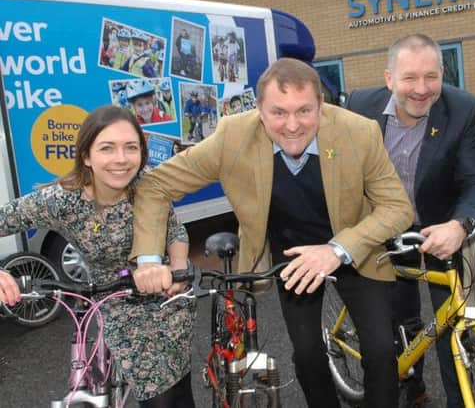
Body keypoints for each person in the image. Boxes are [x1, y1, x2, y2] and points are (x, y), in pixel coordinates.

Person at [129, 57, 414, 408]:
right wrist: (147, 260)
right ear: (259, 110)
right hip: (290, 254)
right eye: (278, 112)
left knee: (381, 349)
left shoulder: (359, 132)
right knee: (308, 354)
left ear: (322, 106)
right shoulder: (233, 136)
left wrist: (337, 249)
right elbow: (155, 185)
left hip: (354, 245)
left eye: (304, 111)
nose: (292, 125)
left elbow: (398, 208)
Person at [0, 105, 196, 407]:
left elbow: (175, 232)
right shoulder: (62, 200)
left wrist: (179, 270)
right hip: (112, 300)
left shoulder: (148, 185)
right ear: (87, 156)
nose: (121, 159)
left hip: (167, 293)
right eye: (107, 148)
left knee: (175, 391)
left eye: (131, 148)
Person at [345, 34, 475, 407]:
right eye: (410, 78)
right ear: (389, 78)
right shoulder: (360, 105)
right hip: (384, 225)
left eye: (431, 77)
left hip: (441, 224)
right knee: (401, 315)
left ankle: (460, 399)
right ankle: (412, 387)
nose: (422, 89)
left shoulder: (465, 109)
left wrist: (461, 224)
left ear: (443, 74)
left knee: (452, 321)